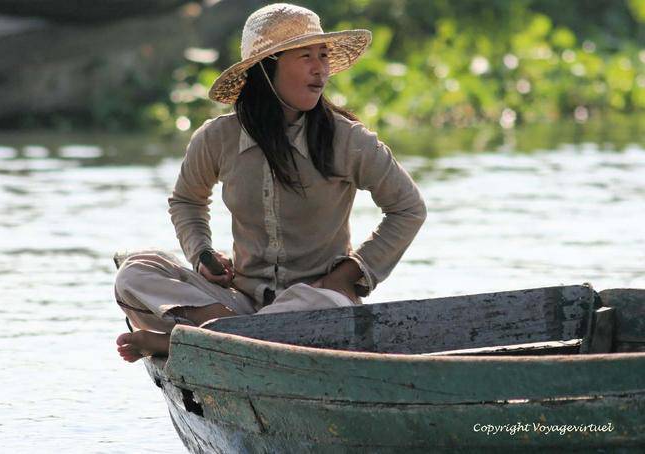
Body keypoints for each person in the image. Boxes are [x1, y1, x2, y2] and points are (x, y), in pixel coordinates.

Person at [114, 3, 427, 362]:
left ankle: (186, 341)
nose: (320, 69)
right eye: (305, 56)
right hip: (238, 301)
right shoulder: (217, 138)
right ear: (267, 68)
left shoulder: (349, 140)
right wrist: (201, 254)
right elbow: (187, 200)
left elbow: (408, 209)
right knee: (136, 271)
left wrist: (352, 272)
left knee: (324, 303)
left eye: (323, 56)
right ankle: (228, 335)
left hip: (313, 302)